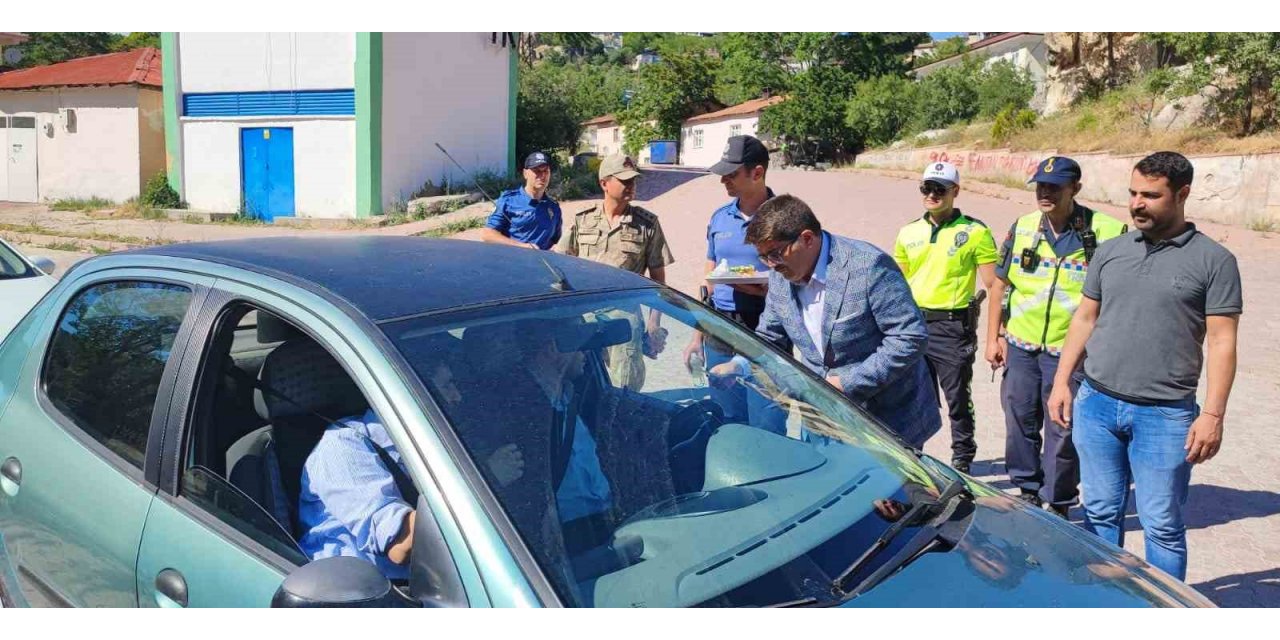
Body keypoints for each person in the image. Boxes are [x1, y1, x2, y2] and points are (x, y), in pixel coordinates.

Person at [1047, 151, 1241, 581]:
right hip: (1096, 404)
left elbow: (1223, 342)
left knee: (1163, 525)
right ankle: (1105, 603)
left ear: (1182, 194)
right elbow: (1085, 318)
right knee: (1098, 512)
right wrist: (1062, 381)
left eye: (1151, 196)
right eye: (1133, 193)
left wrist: (1212, 415)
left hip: (1165, 415)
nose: (1137, 203)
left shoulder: (1215, 261)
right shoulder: (1112, 250)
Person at [714, 194, 940, 447]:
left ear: (807, 239)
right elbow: (770, 338)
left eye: (775, 254)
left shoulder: (869, 267)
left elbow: (910, 338)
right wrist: (739, 364)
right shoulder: (781, 275)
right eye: (763, 257)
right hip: (822, 421)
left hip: (885, 423)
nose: (770, 265)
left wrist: (846, 383)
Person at [984, 156, 1128, 517]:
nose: (1044, 193)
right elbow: (1000, 285)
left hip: (1071, 351)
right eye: (1040, 186)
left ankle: (1059, 500)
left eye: (1054, 187)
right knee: (1019, 419)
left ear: (1075, 189)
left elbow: (1120, 297)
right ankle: (1027, 488)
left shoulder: (1109, 232)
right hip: (1020, 344)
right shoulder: (1024, 226)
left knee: (1062, 427)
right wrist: (993, 336)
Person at [893, 161, 999, 474]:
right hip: (914, 325)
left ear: (955, 191)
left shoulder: (975, 232)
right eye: (927, 188)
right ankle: (913, 458)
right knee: (913, 398)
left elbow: (993, 285)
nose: (932, 194)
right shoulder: (909, 231)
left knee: (957, 399)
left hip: (952, 327)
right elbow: (897, 284)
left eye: (940, 189)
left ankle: (963, 459)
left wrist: (998, 334)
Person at [682, 135, 784, 432]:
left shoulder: (785, 219)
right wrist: (697, 335)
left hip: (766, 330)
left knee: (767, 420)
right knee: (726, 419)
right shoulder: (719, 219)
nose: (723, 180)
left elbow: (800, 279)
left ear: (758, 173)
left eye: (732, 174)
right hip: (721, 327)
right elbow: (709, 278)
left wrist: (767, 289)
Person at [557, 153, 674, 391]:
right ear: (604, 183)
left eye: (633, 180)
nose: (631, 185)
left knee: (625, 388)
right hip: (584, 318)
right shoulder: (583, 221)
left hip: (625, 320)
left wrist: (654, 324)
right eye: (624, 180)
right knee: (581, 384)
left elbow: (659, 283)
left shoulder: (647, 224)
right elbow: (561, 267)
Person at [480, 151, 562, 250]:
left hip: (542, 264)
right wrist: (521, 247)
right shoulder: (508, 201)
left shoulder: (553, 207)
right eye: (537, 171)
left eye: (546, 171)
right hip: (514, 262)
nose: (542, 175)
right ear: (525, 173)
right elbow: (488, 234)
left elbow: (555, 240)